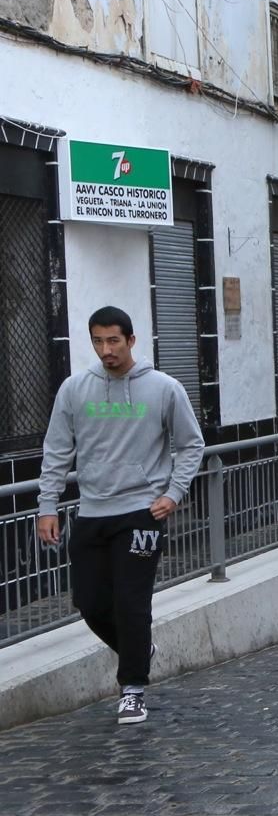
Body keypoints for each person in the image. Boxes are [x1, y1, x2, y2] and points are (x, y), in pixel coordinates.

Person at [36, 306, 205, 726]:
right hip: (92, 512)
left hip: (141, 512)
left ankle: (132, 689)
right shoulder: (75, 390)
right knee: (89, 603)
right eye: (98, 341)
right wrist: (47, 506)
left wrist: (174, 492)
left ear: (131, 341)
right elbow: (57, 451)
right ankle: (138, 649)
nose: (106, 350)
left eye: (114, 341)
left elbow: (191, 444)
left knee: (131, 603)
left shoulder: (163, 388)